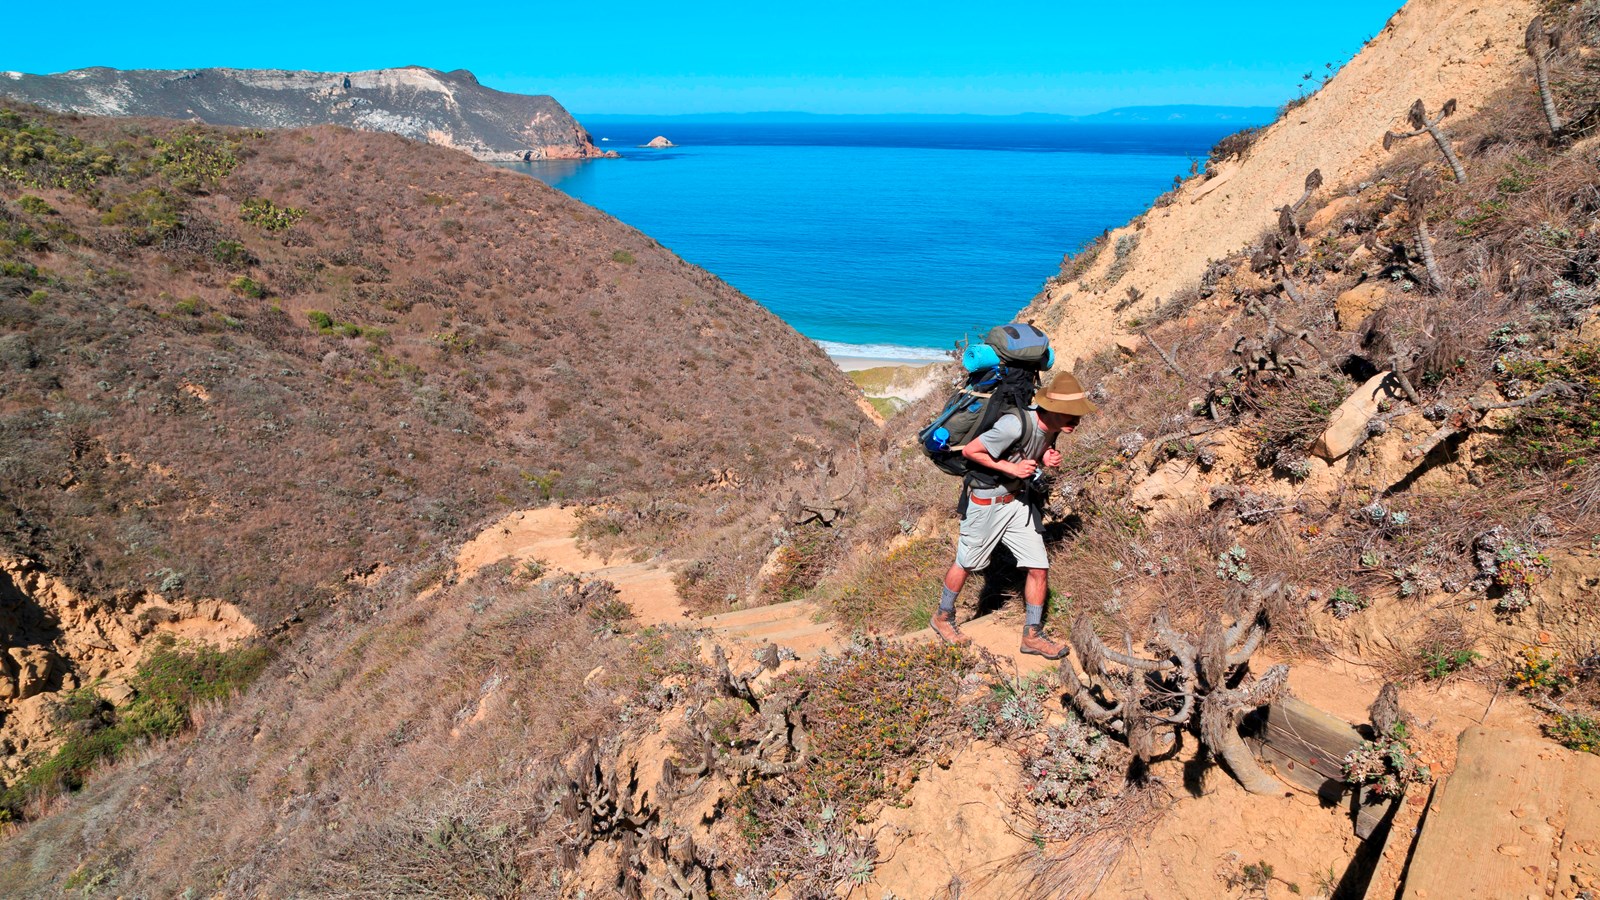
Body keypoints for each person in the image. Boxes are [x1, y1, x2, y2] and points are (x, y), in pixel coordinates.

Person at [931, 371, 1096, 657]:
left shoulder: (1054, 427)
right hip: (986, 503)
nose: (1076, 421)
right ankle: (942, 617)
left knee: (1038, 567)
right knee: (967, 563)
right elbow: (972, 451)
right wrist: (1012, 469)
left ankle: (1032, 635)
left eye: (1078, 415)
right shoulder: (1013, 424)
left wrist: (1045, 456)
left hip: (1018, 502)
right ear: (1053, 409)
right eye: (1071, 415)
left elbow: (1031, 447)